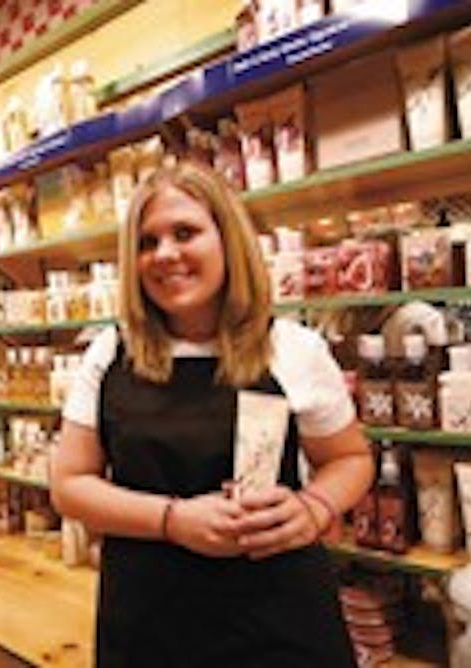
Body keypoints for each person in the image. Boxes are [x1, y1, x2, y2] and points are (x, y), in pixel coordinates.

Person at [51, 161, 374, 667]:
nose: (166, 255)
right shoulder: (110, 354)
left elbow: (351, 459)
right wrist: (172, 520)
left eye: (185, 233)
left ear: (228, 240)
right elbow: (69, 483)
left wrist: (313, 509)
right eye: (146, 242)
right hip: (150, 623)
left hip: (279, 621)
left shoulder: (292, 348)